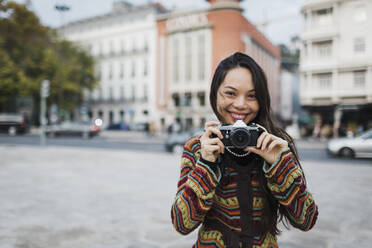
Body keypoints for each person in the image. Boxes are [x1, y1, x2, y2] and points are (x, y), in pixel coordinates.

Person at [171, 52, 318, 248]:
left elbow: (306, 220)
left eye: (252, 96)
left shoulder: (275, 144)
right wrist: (206, 163)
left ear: (262, 100)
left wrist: (280, 165)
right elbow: (182, 224)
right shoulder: (198, 147)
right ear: (215, 94)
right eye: (230, 93)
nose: (241, 104)